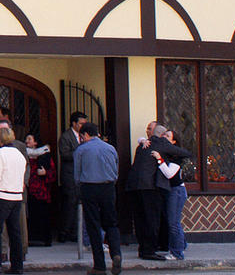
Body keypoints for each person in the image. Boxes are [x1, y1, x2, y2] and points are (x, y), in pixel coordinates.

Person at [124, 121, 190, 261]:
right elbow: (185, 153)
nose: (165, 137)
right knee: (152, 220)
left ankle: (143, 249)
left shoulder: (142, 145)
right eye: (165, 135)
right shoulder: (161, 144)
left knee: (140, 220)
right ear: (161, 135)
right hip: (150, 187)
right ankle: (150, 251)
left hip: (134, 186)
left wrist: (143, 140)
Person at [74, 122, 122, 275]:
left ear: (86, 135)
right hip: (108, 187)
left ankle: (100, 266)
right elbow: (116, 170)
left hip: (89, 187)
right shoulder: (110, 148)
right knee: (111, 223)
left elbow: (77, 175)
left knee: (93, 226)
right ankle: (116, 253)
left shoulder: (81, 150)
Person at [0, 120, 29, 260]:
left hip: (13, 192)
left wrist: (23, 181)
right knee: (3, 228)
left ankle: (20, 252)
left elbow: (27, 167)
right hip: (5, 192)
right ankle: (3, 253)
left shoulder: (19, 147)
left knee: (18, 226)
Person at [151, 130, 188, 261]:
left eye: (168, 136)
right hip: (170, 191)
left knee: (173, 223)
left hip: (176, 191)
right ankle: (181, 245)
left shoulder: (177, 158)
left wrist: (159, 160)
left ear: (173, 142)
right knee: (172, 221)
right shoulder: (168, 154)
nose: (164, 137)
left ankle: (177, 252)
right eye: (164, 135)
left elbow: (169, 174)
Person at [58, 111, 87, 242]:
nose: (83, 126)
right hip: (69, 175)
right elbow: (65, 155)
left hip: (82, 175)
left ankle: (76, 233)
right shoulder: (66, 136)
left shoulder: (84, 136)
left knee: (80, 204)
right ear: (74, 123)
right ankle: (64, 232)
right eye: (81, 123)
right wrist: (81, 150)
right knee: (70, 204)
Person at [25, 133, 56, 246]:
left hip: (41, 190)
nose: (27, 141)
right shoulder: (24, 155)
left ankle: (45, 239)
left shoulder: (45, 155)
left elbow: (52, 172)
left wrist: (45, 172)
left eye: (29, 139)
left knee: (43, 214)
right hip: (29, 189)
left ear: (36, 142)